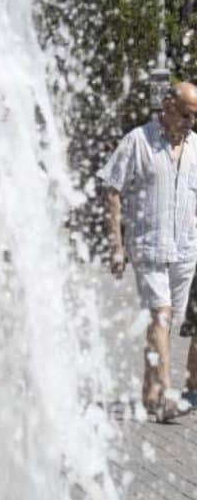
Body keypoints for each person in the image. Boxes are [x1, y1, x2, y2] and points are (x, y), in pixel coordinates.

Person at [99, 82, 197, 422]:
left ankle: (150, 391)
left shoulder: (196, 148)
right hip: (148, 247)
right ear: (167, 107)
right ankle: (168, 396)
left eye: (195, 117)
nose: (191, 122)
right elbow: (112, 188)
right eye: (186, 114)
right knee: (161, 316)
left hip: (185, 251)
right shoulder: (138, 141)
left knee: (166, 324)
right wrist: (116, 243)